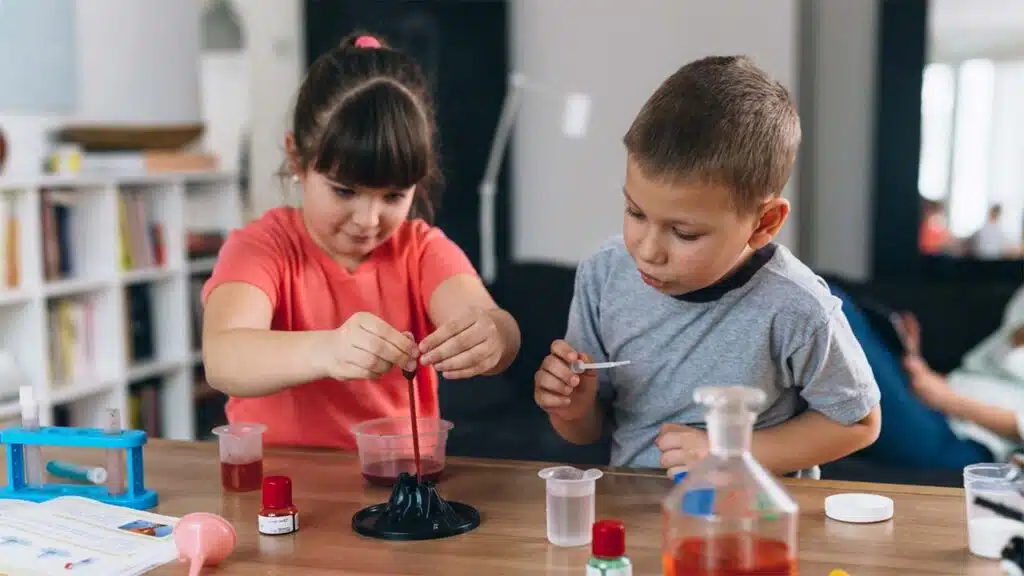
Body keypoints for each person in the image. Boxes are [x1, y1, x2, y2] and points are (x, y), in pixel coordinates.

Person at [532, 56, 881, 478]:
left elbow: (859, 422)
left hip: (753, 523)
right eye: (635, 212)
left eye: (684, 233)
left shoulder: (796, 305)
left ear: (764, 223)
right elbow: (587, 432)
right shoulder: (603, 275)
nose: (647, 251)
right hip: (634, 516)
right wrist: (571, 407)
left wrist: (728, 451)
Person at [201, 32, 521, 450]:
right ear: (297, 159)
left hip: (399, 488)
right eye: (344, 191)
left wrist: (492, 337)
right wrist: (328, 350)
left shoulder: (420, 249)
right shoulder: (264, 248)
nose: (368, 220)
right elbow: (224, 357)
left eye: (393, 196)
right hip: (278, 494)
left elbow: (497, 326)